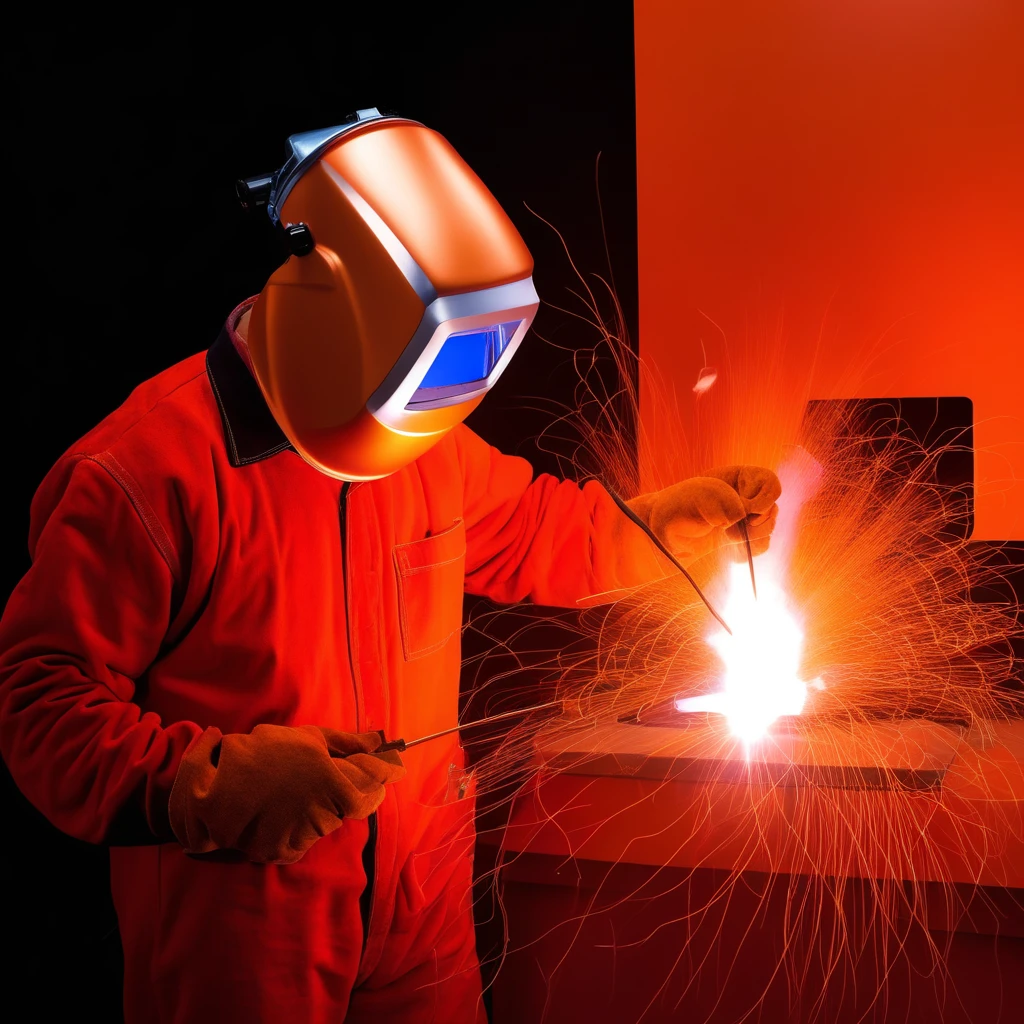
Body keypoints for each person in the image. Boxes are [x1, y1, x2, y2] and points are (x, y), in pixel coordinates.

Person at [0, 109, 780, 1023]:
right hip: (243, 931)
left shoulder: (421, 441)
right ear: (336, 306)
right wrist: (203, 783)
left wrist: (653, 532)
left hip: (424, 910)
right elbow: (45, 711)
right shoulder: (142, 474)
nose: (424, 431)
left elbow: (527, 529)